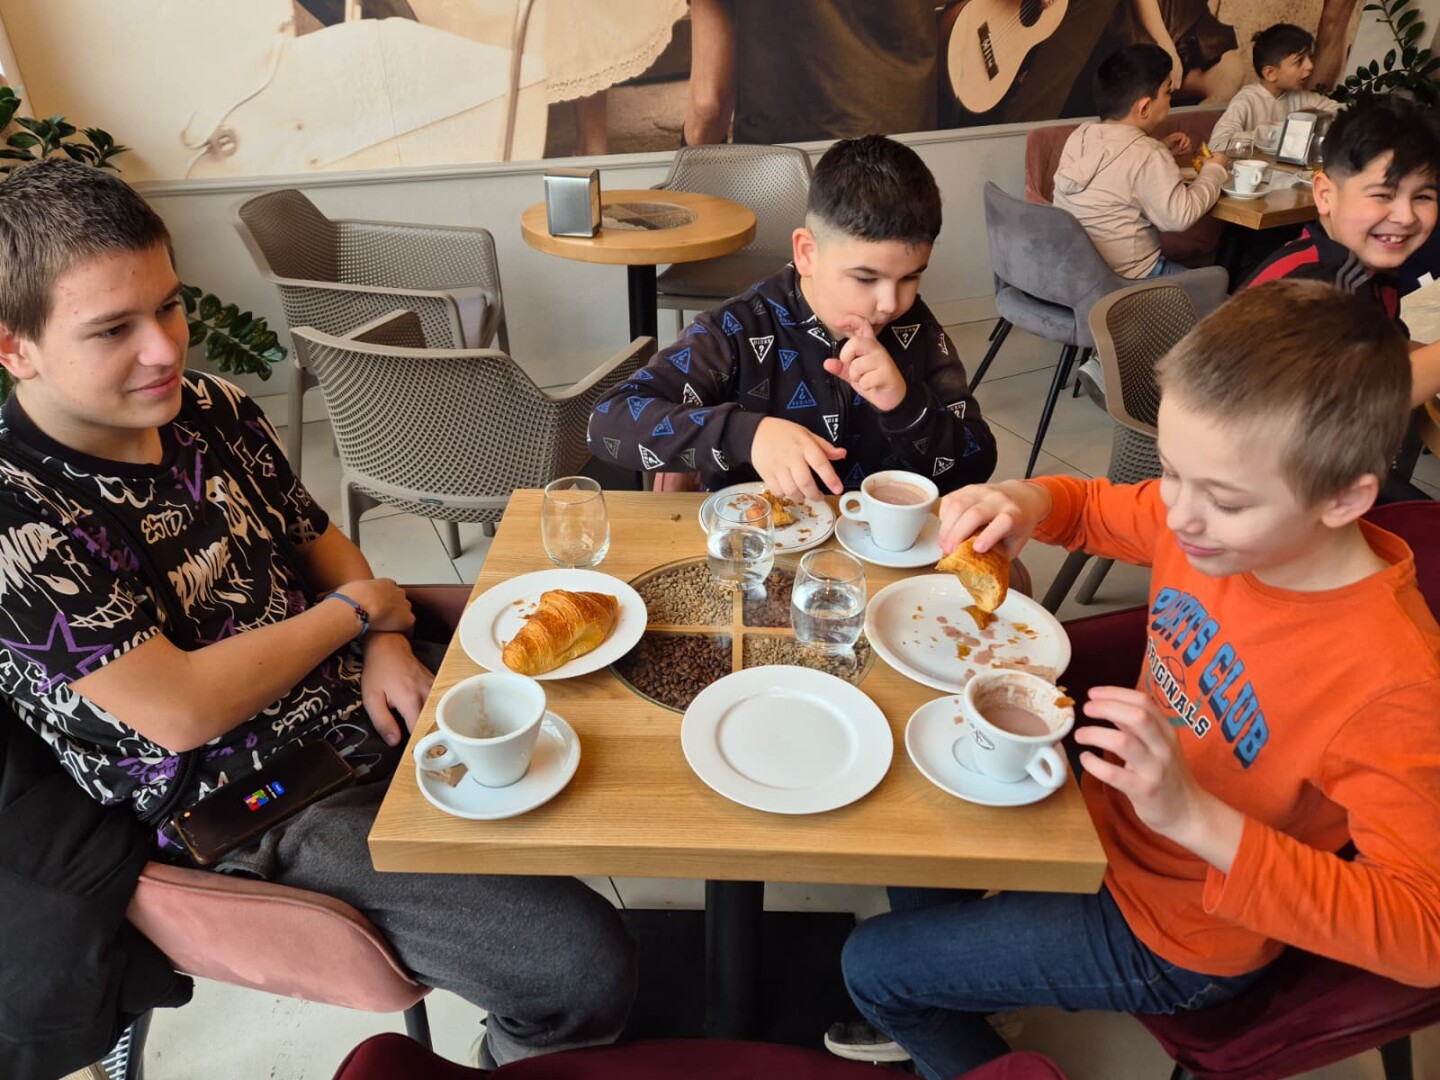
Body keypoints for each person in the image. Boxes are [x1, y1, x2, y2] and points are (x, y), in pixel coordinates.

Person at [0, 159, 635, 1068]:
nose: (165, 349)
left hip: (364, 690)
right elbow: (180, 710)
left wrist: (385, 637)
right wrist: (354, 613)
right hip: (249, 800)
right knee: (577, 965)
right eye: (113, 330)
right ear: (14, 348)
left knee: (634, 740)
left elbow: (319, 539)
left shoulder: (208, 408)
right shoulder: (17, 513)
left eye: (169, 307)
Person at [829, 280, 1440, 1077]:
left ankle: (938, 1013)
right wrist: (1021, 499)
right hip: (1097, 828)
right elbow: (1090, 506)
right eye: (1174, 472)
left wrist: (1194, 816)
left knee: (873, 968)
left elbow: (1424, 935)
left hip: (1183, 934)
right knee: (911, 840)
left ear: (1345, 496)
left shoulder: (1392, 684)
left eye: (1223, 500)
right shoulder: (1211, 525)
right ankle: (962, 987)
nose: (1179, 517)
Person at [586, 134, 997, 500]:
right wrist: (748, 435)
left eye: (910, 277)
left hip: (875, 548)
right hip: (759, 546)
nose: (890, 304)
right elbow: (606, 424)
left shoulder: (915, 329)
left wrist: (905, 406)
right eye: (866, 278)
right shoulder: (739, 329)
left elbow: (978, 464)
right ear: (806, 253)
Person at [1243, 97, 1440, 493]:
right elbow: (1364, 400)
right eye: (1383, 194)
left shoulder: (1366, 270)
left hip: (1321, 469)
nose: (1406, 216)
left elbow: (1388, 348)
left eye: (1423, 196)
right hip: (1264, 488)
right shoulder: (1312, 283)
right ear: (1325, 194)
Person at [1052, 43, 1229, 281]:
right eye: (1168, 92)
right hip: (1130, 280)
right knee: (1219, 285)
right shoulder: (1147, 154)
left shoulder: (1081, 135)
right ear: (1144, 107)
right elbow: (1180, 216)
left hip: (1079, 274)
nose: (1170, 100)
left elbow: (1113, 170)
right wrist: (1214, 170)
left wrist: (1160, 146)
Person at [1209, 23, 1340, 153]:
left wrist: (1313, 116)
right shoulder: (1247, 100)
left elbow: (1341, 111)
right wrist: (1273, 132)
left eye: (1309, 57)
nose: (1310, 66)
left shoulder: (1302, 97)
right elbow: (1217, 144)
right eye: (1299, 61)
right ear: (1270, 73)